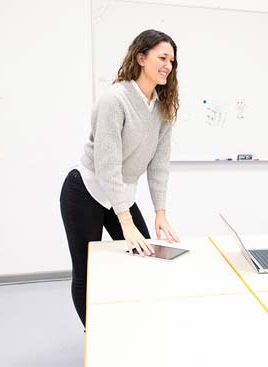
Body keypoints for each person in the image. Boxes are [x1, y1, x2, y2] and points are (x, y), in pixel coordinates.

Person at [60, 30, 180, 326]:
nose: (168, 65)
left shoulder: (162, 107)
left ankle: (134, 324)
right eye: (162, 58)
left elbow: (159, 165)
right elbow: (107, 163)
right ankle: (96, 338)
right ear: (141, 58)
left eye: (172, 61)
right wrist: (124, 220)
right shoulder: (116, 99)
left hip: (120, 195)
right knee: (86, 273)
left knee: (146, 257)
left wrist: (160, 213)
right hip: (85, 190)